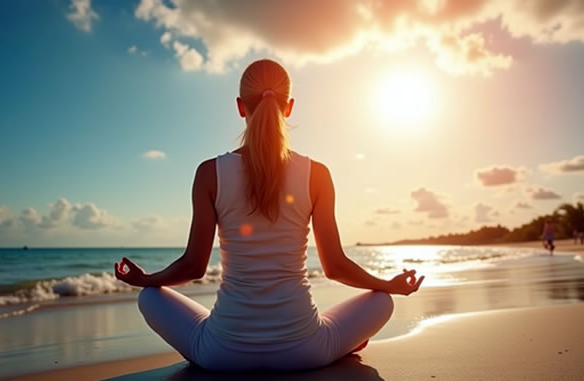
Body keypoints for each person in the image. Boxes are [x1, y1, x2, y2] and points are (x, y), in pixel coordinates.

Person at [114, 59, 424, 371]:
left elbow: (194, 267)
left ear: (239, 106)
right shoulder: (316, 174)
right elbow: (335, 267)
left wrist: (147, 279)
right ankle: (340, 344)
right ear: (289, 107)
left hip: (221, 353)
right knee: (382, 301)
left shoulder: (210, 173)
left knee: (149, 298)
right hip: (307, 350)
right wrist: (388, 283)